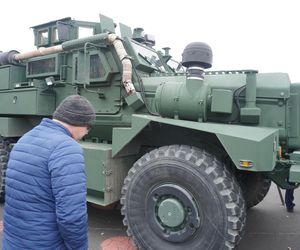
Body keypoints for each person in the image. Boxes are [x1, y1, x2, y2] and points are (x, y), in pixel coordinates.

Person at [3, 95, 96, 249]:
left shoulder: (25, 138)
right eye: (89, 128)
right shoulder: (67, 148)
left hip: (13, 242)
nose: (87, 133)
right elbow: (71, 216)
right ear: (81, 123)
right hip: (45, 244)